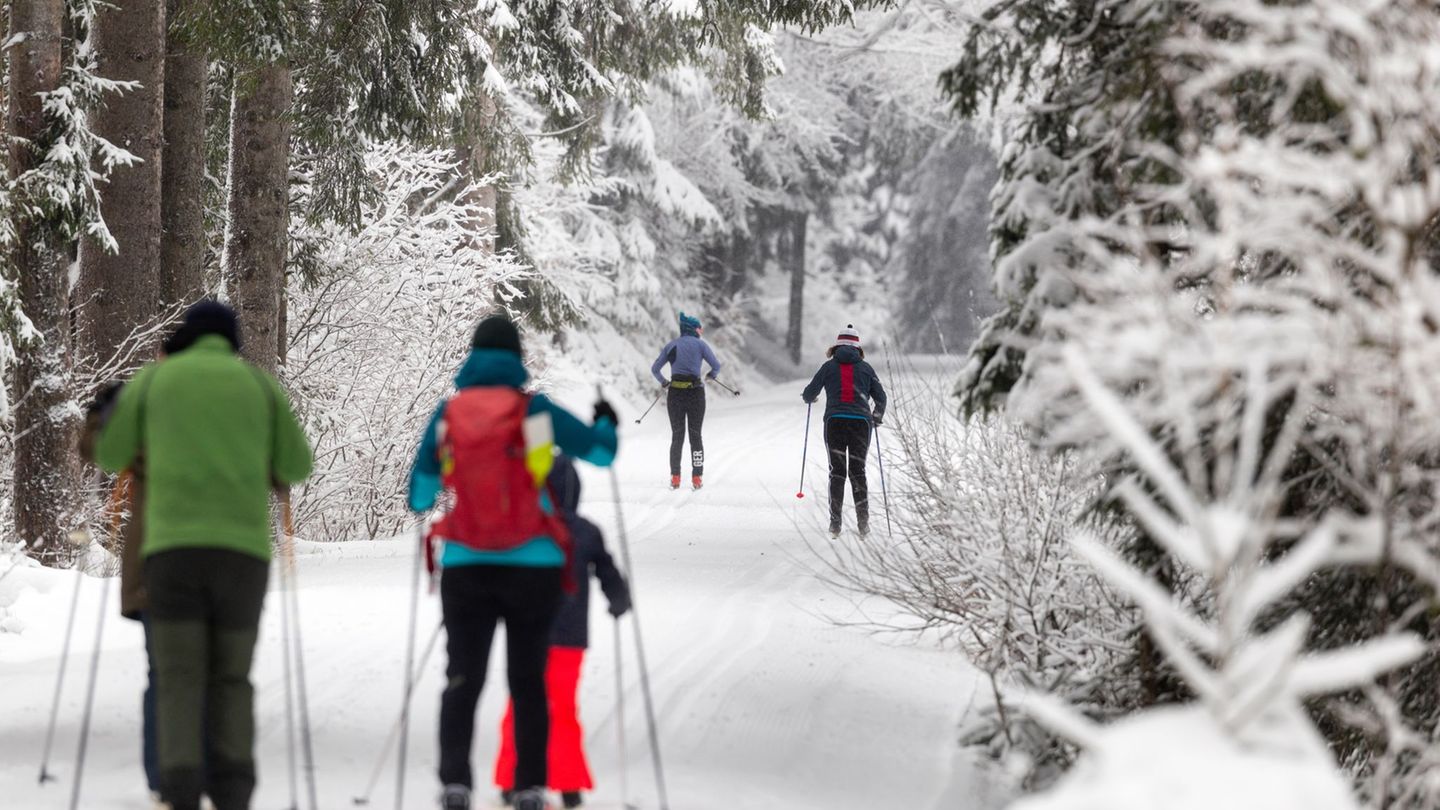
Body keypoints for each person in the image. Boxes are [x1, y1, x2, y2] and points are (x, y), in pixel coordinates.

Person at [94, 300, 314, 810]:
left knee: (179, 677)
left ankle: (180, 790)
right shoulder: (258, 386)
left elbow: (110, 455)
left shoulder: (154, 383)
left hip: (173, 556)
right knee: (231, 677)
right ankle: (234, 790)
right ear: (231, 341)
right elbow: (296, 463)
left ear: (184, 339)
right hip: (242, 559)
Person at [408, 314, 620, 810]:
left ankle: (455, 782)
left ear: (472, 359)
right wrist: (606, 419)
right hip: (534, 565)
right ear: (516, 358)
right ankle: (528, 786)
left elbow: (420, 496)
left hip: (466, 563)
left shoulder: (449, 414)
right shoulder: (535, 412)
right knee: (528, 681)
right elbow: (600, 454)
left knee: (463, 675)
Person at [493, 455, 631, 809]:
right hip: (570, 637)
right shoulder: (585, 530)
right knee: (563, 709)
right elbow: (608, 570)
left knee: (519, 705)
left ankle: (511, 779)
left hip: (526, 633)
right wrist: (619, 600)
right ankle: (568, 785)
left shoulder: (526, 526)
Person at [79, 383, 160, 804]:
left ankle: (164, 779)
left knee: (163, 673)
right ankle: (220, 777)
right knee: (221, 674)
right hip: (231, 561)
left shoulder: (148, 399)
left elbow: (104, 454)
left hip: (156, 562)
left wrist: (99, 414)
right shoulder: (247, 393)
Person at [801, 325, 887, 537]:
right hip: (861, 424)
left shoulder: (828, 367)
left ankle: (835, 524)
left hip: (835, 423)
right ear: (858, 348)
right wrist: (876, 416)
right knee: (858, 472)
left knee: (837, 472)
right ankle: (863, 525)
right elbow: (881, 398)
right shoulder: (866, 369)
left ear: (836, 346)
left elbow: (809, 393)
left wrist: (811, 398)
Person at [650, 311, 722, 490]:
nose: (701, 331)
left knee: (677, 437)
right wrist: (711, 376)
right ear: (694, 329)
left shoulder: (672, 345)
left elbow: (655, 369)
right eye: (699, 328)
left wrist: (665, 383)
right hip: (696, 394)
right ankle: (697, 478)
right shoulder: (700, 345)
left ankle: (675, 478)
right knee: (695, 436)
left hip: (675, 394)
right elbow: (716, 365)